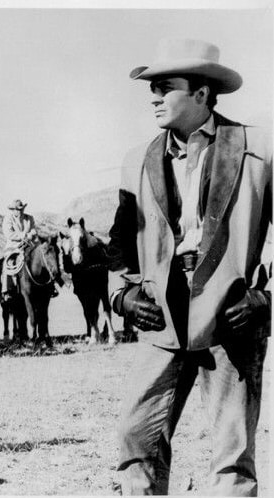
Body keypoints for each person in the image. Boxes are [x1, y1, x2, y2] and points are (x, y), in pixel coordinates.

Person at [107, 38, 271, 496]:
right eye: (152, 89)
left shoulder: (259, 149)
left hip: (232, 315)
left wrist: (266, 297)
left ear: (201, 93)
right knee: (135, 437)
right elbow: (120, 239)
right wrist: (123, 294)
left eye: (165, 87)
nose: (154, 97)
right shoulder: (137, 159)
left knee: (231, 455)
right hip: (162, 313)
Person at [1, 199, 38, 296]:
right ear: (12, 210)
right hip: (13, 247)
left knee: (42, 258)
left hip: (29, 246)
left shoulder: (29, 218)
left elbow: (34, 230)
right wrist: (24, 236)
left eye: (20, 209)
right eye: (15, 209)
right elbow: (9, 234)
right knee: (9, 262)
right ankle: (6, 289)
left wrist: (31, 234)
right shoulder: (8, 219)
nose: (18, 211)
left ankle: (50, 285)